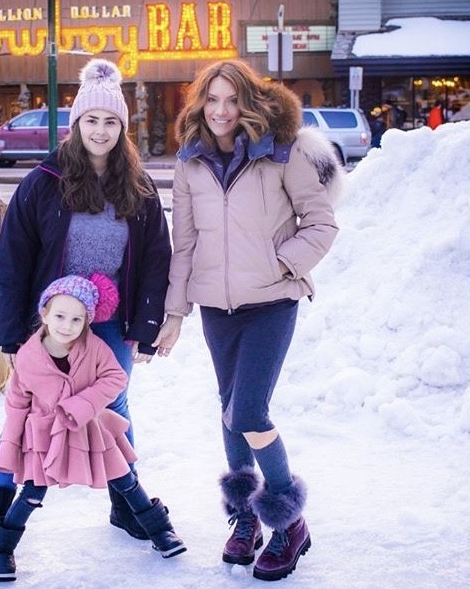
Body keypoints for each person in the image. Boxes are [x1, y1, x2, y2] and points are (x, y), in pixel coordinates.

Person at [0, 58, 172, 556]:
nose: (100, 131)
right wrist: (13, 333)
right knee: (22, 416)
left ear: (122, 127)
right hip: (52, 324)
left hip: (110, 323)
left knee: (113, 409)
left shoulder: (139, 188)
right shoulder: (44, 181)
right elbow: (15, 260)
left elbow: (155, 259)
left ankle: (127, 509)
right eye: (91, 120)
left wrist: (146, 327)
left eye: (110, 122)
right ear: (76, 123)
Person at [153, 59, 343, 582]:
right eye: (211, 100)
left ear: (248, 103)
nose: (220, 110)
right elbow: (185, 243)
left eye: (230, 99)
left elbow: (322, 222)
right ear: (199, 104)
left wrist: (282, 265)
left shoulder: (284, 153)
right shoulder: (190, 164)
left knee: (250, 411)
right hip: (218, 308)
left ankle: (288, 522)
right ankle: (244, 519)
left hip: (272, 303)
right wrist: (175, 312)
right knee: (227, 408)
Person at [0, 275, 186, 581]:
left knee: (125, 479)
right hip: (45, 436)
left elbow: (115, 378)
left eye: (77, 319)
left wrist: (82, 404)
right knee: (33, 492)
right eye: (60, 316)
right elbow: (16, 404)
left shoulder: (95, 347)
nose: (67, 326)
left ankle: (160, 531)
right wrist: (10, 446)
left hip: (90, 429)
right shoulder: (27, 356)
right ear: (45, 315)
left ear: (87, 322)